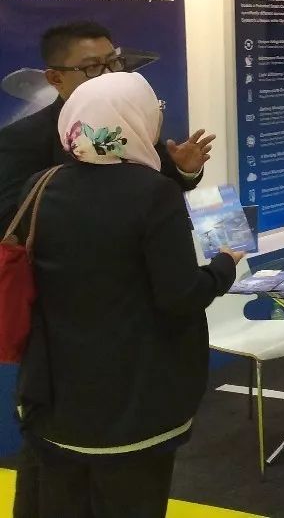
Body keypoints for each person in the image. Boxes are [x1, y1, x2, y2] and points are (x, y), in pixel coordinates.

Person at [13, 71, 241, 518]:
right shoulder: (153, 194)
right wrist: (224, 265)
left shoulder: (41, 185)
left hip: (55, 393)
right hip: (134, 398)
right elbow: (180, 295)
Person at [0, 21, 213, 218]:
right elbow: (12, 218)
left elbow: (162, 186)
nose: (109, 74)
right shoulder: (21, 138)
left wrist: (183, 170)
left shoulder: (128, 120)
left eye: (113, 62)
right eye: (92, 67)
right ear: (56, 78)